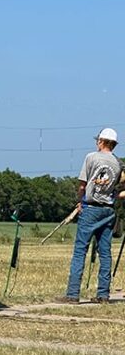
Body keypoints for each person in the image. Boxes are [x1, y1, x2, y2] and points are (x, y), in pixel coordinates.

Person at [57, 128, 123, 304]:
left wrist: (80, 201)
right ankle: (103, 294)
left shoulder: (91, 157)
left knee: (80, 250)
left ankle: (72, 294)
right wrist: (113, 196)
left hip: (91, 207)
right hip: (108, 210)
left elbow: (82, 184)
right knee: (105, 253)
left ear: (101, 141)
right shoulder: (118, 163)